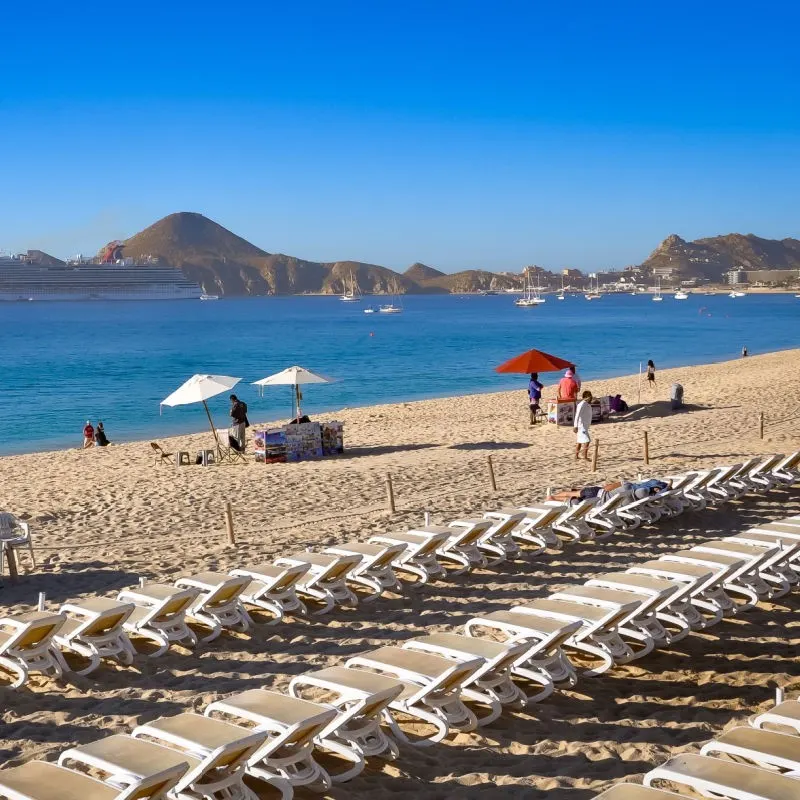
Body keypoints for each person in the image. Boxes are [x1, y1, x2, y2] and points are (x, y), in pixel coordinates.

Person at [574, 390, 593, 461]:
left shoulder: (587, 404)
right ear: (587, 397)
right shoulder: (581, 404)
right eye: (590, 396)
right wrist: (575, 426)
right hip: (581, 426)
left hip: (585, 426)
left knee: (579, 441)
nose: (591, 398)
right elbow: (577, 415)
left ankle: (576, 455)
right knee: (587, 440)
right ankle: (584, 456)